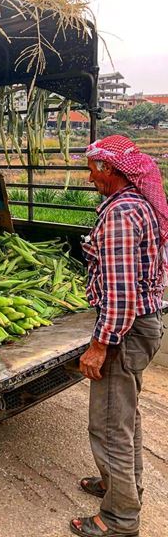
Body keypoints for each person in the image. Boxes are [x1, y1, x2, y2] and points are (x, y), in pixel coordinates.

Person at [70, 135, 168, 537]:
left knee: (110, 425)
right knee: (124, 418)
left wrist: (99, 345)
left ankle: (119, 520)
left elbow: (122, 293)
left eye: (92, 167)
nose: (89, 174)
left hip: (124, 332)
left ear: (108, 169)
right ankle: (120, 485)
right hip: (141, 326)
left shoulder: (121, 214)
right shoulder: (133, 205)